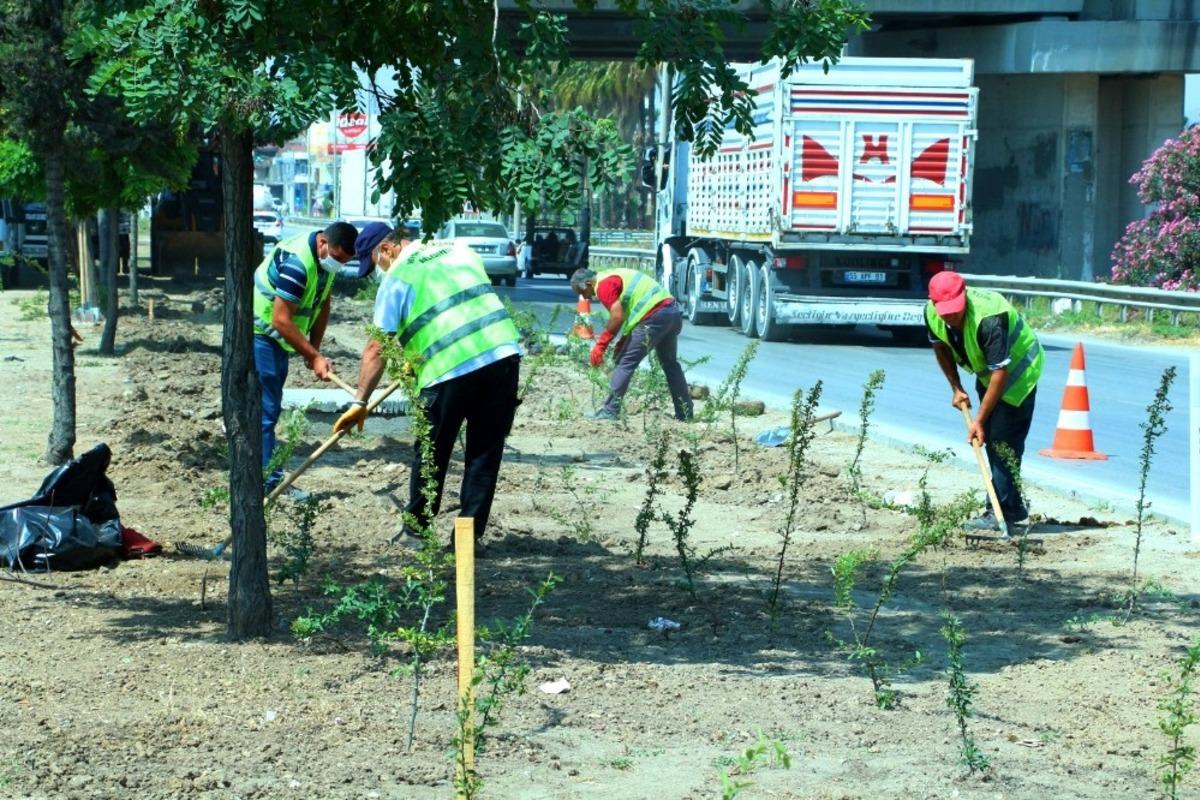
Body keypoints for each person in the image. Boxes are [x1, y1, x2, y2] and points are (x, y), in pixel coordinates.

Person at [334, 225, 522, 551]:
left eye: (376, 263)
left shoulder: (397, 278)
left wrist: (359, 401)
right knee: (484, 452)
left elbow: (376, 348)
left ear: (387, 249)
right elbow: (456, 306)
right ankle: (468, 537)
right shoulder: (458, 250)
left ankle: (416, 532)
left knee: (432, 451)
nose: (379, 271)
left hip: (449, 369)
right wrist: (416, 353)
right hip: (501, 357)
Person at [925, 271, 1044, 529]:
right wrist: (956, 388)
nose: (951, 317)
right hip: (989, 374)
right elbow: (941, 348)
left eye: (955, 310)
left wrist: (978, 419)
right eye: (945, 312)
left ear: (964, 295)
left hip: (1018, 373)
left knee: (1003, 441)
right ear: (933, 303)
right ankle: (1011, 505)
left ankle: (998, 512)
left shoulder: (989, 317)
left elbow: (1001, 371)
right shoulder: (931, 313)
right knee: (991, 438)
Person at [253, 221, 358, 493]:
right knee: (266, 411)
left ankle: (268, 476)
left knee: (270, 409)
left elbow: (322, 304)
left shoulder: (324, 262)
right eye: (337, 258)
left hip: (279, 339)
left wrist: (315, 348)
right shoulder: (299, 265)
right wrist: (313, 356)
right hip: (261, 334)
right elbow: (280, 319)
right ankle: (268, 483)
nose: (339, 265)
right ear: (323, 242)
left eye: (344, 262)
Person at [569, 267, 693, 422]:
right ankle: (685, 413)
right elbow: (631, 315)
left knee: (625, 363)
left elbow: (617, 317)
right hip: (671, 313)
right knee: (670, 364)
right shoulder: (612, 275)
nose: (585, 296)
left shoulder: (603, 285)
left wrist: (601, 346)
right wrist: (623, 340)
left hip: (654, 316)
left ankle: (610, 411)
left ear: (588, 283)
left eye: (582, 292)